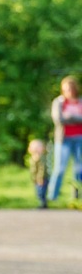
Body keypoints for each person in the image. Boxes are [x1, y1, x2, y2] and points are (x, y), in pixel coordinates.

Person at [48, 75, 82, 203]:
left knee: (79, 168)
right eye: (66, 89)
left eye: (71, 89)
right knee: (59, 168)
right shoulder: (59, 102)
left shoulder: (80, 102)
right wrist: (76, 118)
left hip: (79, 138)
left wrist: (70, 117)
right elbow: (59, 119)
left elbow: (68, 118)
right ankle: (53, 197)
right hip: (63, 139)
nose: (69, 91)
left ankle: (77, 197)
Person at [28, 139, 48, 209]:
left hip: (41, 179)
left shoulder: (41, 158)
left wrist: (40, 177)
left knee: (41, 191)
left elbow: (41, 169)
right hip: (36, 179)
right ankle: (42, 202)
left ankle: (43, 203)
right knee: (38, 191)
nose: (35, 149)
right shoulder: (32, 158)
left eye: (37, 147)